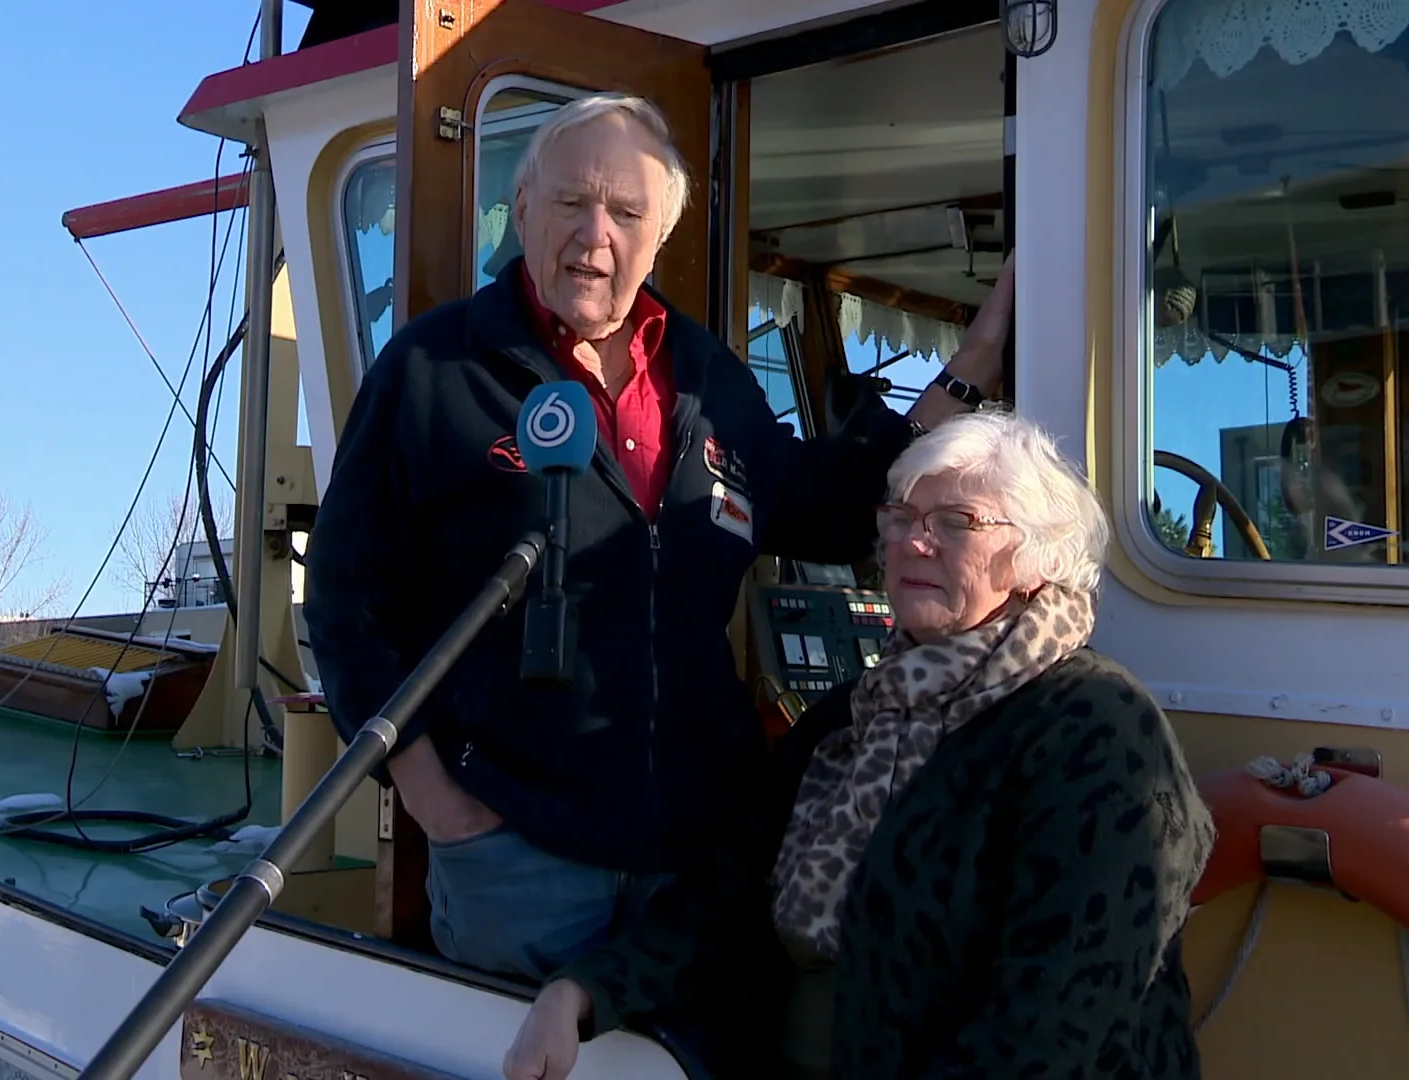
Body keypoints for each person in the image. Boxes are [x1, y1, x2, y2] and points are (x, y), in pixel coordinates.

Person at [303, 92, 1016, 983]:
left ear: (660, 235)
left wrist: (973, 366)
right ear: (521, 208)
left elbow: (829, 504)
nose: (594, 234)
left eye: (626, 212)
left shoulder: (705, 375)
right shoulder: (431, 369)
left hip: (694, 850)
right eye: (570, 201)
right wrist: (432, 795)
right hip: (517, 854)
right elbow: (344, 602)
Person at [502, 409, 1218, 1080]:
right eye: (900, 517)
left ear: (1038, 561)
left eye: (955, 521)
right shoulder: (854, 715)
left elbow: (1056, 1027)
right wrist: (584, 992)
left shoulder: (1097, 726)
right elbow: (724, 902)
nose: (912, 540)